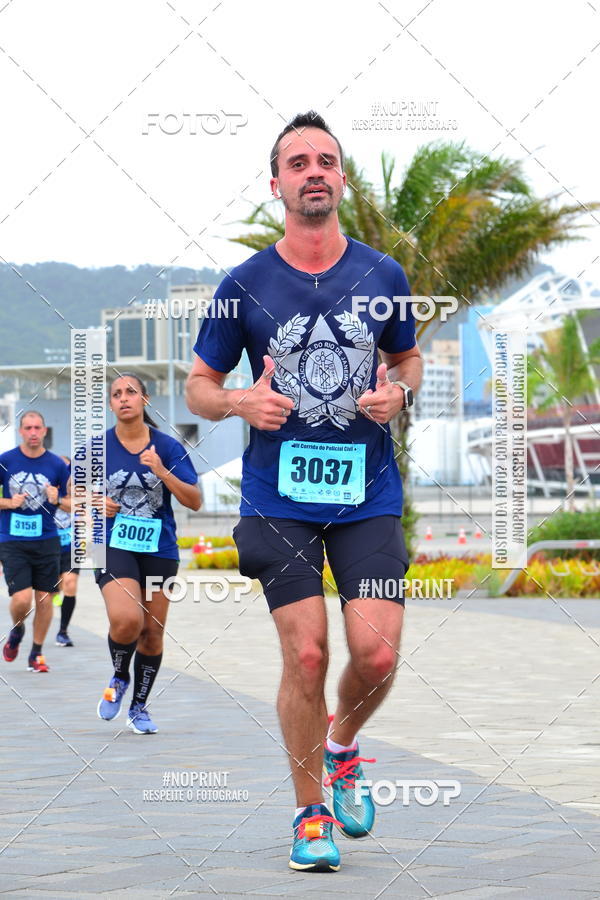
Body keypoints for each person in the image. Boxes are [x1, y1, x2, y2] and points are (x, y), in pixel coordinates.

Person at [186, 111, 423, 872]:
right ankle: (310, 812)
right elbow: (198, 386)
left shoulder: (383, 275)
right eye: (299, 162)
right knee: (309, 653)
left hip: (368, 494)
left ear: (340, 179)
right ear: (278, 183)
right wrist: (238, 404)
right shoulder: (244, 285)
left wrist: (401, 397)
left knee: (377, 657)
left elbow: (408, 360)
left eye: (326, 160)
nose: (314, 170)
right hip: (277, 499)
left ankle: (343, 746)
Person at [94, 373, 201, 734]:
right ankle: (120, 676)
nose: (124, 398)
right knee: (128, 621)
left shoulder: (168, 447)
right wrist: (92, 502)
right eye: (116, 394)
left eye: (131, 392)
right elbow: (68, 496)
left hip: (159, 549)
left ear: (145, 400)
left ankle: (139, 706)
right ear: (111, 404)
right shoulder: (96, 448)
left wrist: (161, 471)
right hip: (111, 544)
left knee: (152, 633)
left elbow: (194, 500)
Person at [0, 411, 69, 672]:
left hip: (47, 540)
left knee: (44, 598)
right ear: (20, 431)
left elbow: (74, 503)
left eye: (37, 427)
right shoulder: (5, 461)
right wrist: (8, 502)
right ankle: (17, 631)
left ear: (44, 431)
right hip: (12, 540)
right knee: (21, 600)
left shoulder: (57, 465)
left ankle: (37, 653)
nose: (32, 432)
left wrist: (57, 499)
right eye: (27, 427)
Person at [54, 456, 79, 647]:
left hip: (72, 546)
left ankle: (63, 631)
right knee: (56, 586)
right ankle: (55, 591)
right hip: (48, 547)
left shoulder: (76, 491)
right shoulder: (45, 490)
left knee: (70, 583)